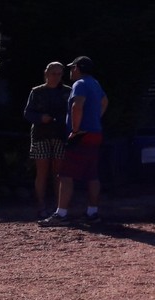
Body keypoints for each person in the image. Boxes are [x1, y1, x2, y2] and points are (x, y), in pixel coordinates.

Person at [39, 56, 108, 227]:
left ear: (77, 68)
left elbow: (77, 106)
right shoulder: (95, 83)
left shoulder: (80, 84)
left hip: (82, 135)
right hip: (95, 132)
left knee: (66, 174)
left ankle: (61, 214)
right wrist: (95, 119)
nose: (70, 71)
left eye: (72, 68)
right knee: (92, 175)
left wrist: (75, 130)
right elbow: (105, 101)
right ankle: (92, 212)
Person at [23, 61, 69, 219]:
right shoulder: (36, 92)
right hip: (41, 134)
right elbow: (28, 113)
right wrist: (40, 118)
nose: (56, 77)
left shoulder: (67, 91)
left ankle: (59, 206)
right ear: (46, 74)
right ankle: (41, 204)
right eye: (53, 73)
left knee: (59, 172)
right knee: (42, 172)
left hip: (60, 135)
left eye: (59, 74)